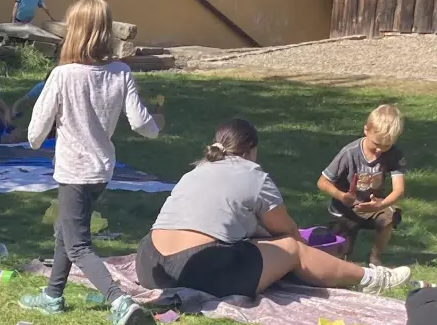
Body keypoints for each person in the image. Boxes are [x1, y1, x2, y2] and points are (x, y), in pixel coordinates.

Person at [18, 0, 163, 325]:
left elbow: (35, 134)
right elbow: (144, 124)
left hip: (73, 172)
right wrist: (157, 124)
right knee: (65, 231)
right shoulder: (121, 72)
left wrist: (41, 133)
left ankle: (119, 302)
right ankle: (53, 295)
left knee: (78, 243)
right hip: (102, 171)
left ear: (74, 32)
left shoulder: (62, 75)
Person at [139, 118, 411, 298]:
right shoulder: (254, 175)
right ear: (252, 149)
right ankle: (372, 278)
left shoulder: (196, 171)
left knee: (253, 243)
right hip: (201, 269)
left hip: (150, 264)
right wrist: (299, 251)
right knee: (292, 249)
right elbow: (287, 231)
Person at [317, 103, 407, 267]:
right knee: (341, 256)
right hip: (346, 209)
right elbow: (322, 182)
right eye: (376, 143)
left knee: (389, 217)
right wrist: (342, 196)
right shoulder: (349, 153)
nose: (380, 150)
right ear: (366, 130)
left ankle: (375, 258)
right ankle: (335, 240)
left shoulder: (394, 154)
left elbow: (399, 190)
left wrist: (380, 204)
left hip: (373, 205)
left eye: (386, 146)